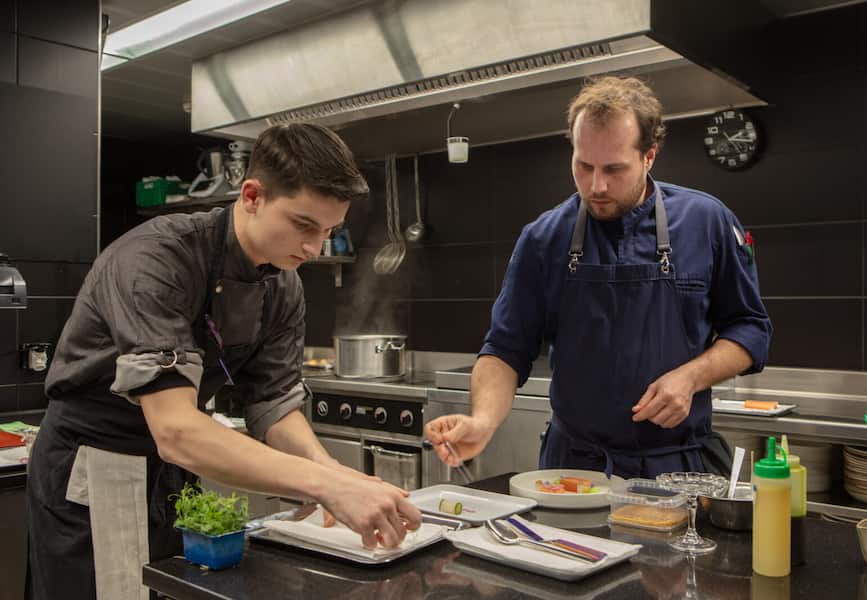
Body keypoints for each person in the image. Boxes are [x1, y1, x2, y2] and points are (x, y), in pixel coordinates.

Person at [26, 123, 421, 600]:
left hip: (172, 476)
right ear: (252, 196)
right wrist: (324, 485)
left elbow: (274, 404)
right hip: (96, 468)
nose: (315, 248)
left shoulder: (283, 285)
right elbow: (176, 430)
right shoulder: (155, 260)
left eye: (329, 231)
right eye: (303, 225)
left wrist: (335, 473)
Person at [426, 76, 772, 480]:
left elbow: (751, 329)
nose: (596, 186)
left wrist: (691, 377)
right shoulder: (543, 238)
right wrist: (483, 421)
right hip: (573, 468)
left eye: (614, 169)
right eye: (583, 166)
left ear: (649, 156)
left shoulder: (707, 222)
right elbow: (504, 348)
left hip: (674, 466)